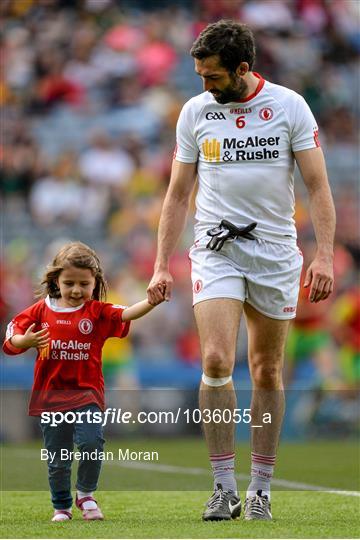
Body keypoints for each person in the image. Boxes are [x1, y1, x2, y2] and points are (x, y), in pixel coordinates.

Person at [147, 20, 335, 521]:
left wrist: (324, 255)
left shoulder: (290, 106)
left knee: (267, 369)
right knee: (214, 360)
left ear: (243, 69)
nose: (203, 85)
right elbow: (178, 194)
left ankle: (261, 489)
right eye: (199, 75)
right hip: (216, 249)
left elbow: (317, 187)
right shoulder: (195, 112)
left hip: (275, 254)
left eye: (211, 77)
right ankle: (223, 485)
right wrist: (162, 263)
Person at [3, 241, 164, 523]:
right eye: (69, 283)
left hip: (87, 394)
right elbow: (12, 335)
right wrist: (24, 341)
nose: (76, 290)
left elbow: (125, 313)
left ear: (95, 283)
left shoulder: (97, 312)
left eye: (84, 284)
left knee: (92, 442)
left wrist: (151, 301)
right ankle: (61, 506)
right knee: (58, 458)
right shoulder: (39, 312)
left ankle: (86, 495)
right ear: (56, 281)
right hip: (50, 397)